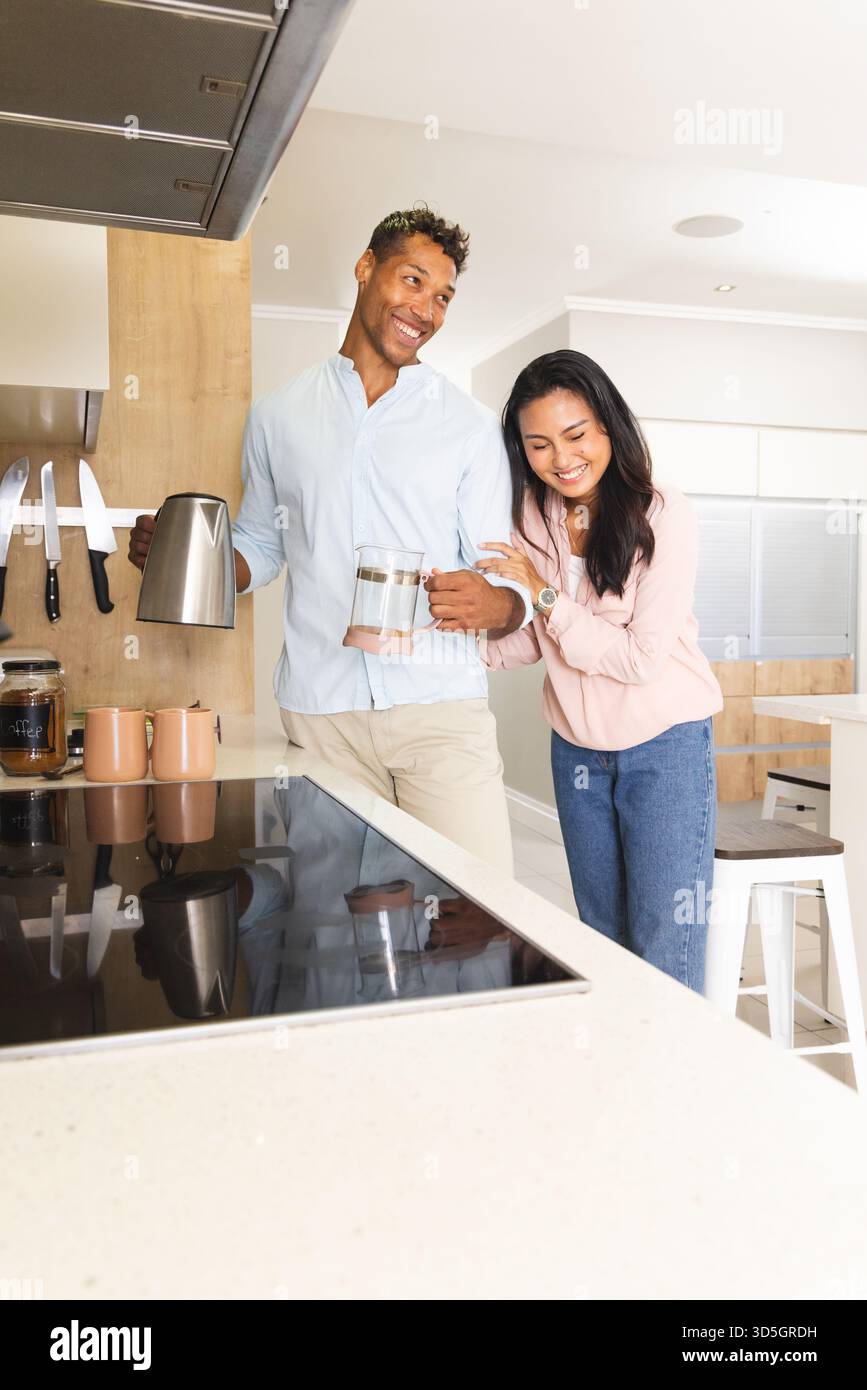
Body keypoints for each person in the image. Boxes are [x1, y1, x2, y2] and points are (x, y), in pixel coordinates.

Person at [128, 205, 531, 875]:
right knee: (333, 933)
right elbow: (260, 544)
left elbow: (505, 572)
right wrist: (191, 558)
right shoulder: (278, 415)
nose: (426, 309)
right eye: (411, 280)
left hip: (437, 712)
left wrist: (501, 605)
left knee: (473, 918)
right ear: (365, 268)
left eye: (442, 298)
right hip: (322, 717)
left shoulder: (467, 425)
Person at [477, 349, 723, 990]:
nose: (561, 459)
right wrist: (447, 640)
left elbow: (641, 659)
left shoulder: (664, 512)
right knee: (599, 937)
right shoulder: (536, 515)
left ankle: (673, 1081)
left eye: (575, 435)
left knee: (664, 942)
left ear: (609, 426)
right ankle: (614, 1076)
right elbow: (535, 641)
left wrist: (547, 595)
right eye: (538, 445)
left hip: (665, 745)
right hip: (579, 749)